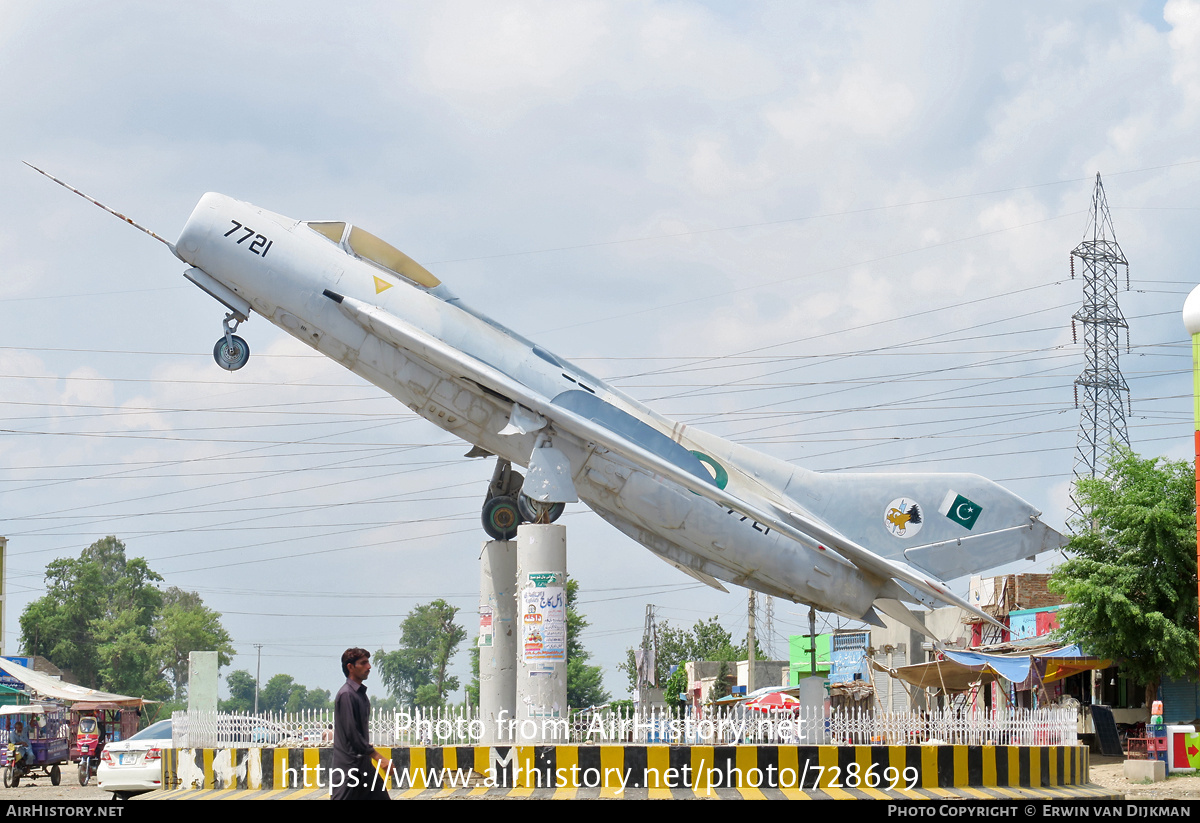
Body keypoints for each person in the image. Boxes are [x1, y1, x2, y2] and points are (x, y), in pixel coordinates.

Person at [332, 648, 391, 800]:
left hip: (364, 766)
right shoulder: (346, 695)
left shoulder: (360, 695)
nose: (369, 667)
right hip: (348, 768)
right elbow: (352, 734)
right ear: (350, 667)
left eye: (368, 662)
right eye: (363, 663)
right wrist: (379, 757)